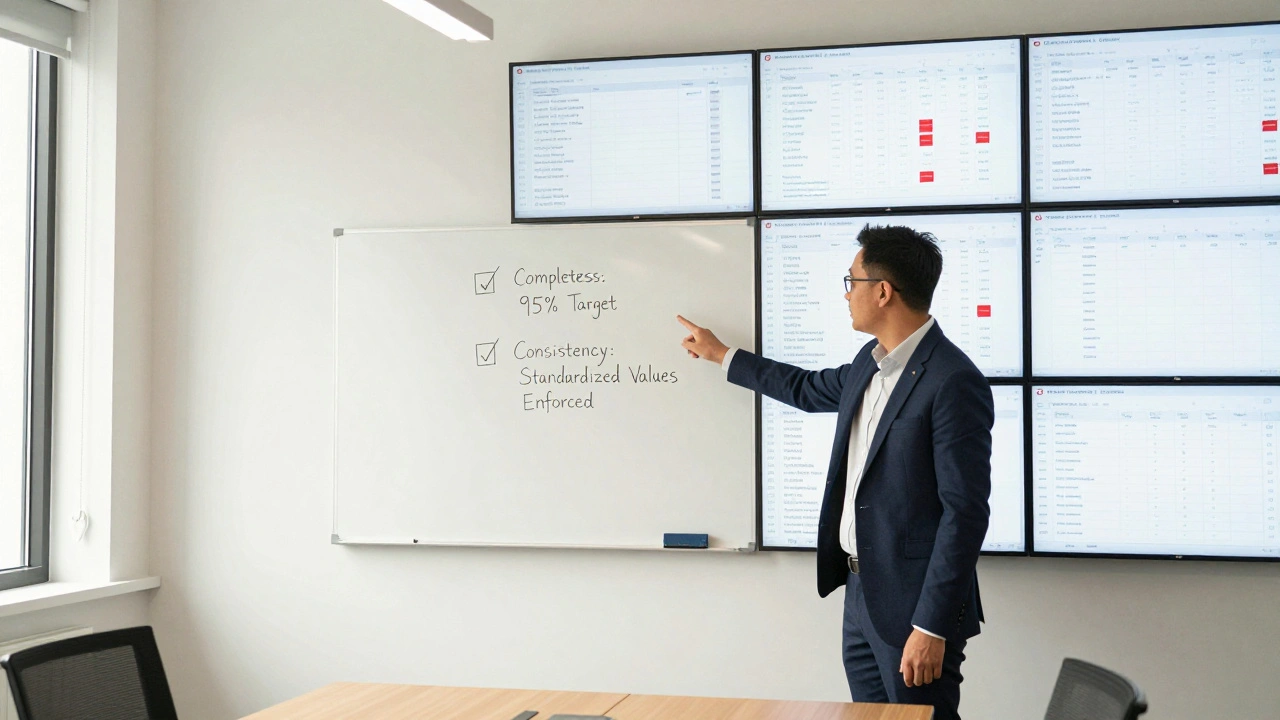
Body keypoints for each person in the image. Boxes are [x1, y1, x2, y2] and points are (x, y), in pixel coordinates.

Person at [678, 224, 992, 720]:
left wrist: (930, 628)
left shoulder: (953, 381)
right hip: (861, 596)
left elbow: (966, 513)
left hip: (915, 611)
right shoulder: (869, 366)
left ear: (883, 292)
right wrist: (723, 355)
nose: (847, 295)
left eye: (852, 282)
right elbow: (804, 389)